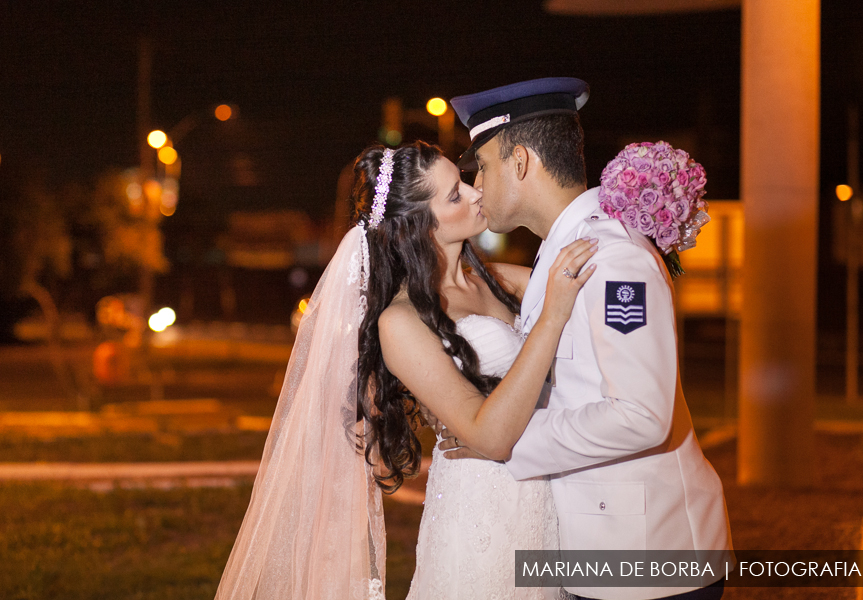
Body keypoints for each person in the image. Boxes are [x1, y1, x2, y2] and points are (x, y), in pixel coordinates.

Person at [214, 140, 596, 600]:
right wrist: (551, 317)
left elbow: (601, 283)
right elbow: (488, 435)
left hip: (552, 502)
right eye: (455, 195)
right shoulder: (402, 321)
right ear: (417, 226)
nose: (477, 193)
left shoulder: (504, 280)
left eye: (466, 180)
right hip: (483, 514)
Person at [434, 77, 734, 600]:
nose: (477, 185)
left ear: (520, 162)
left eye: (481, 167)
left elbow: (640, 415)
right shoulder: (562, 250)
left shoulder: (610, 258)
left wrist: (505, 445)